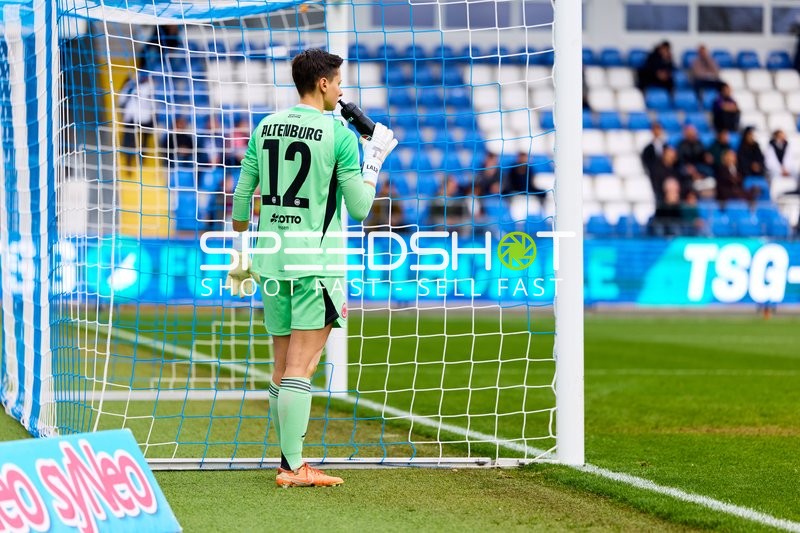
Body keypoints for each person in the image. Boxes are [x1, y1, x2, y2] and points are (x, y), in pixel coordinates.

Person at [229, 49, 396, 488]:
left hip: (271, 259)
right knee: (302, 368)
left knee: (282, 367)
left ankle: (289, 462)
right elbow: (360, 208)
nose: (342, 91)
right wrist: (374, 158)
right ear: (323, 84)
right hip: (315, 264)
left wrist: (245, 251)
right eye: (338, 82)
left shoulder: (266, 127)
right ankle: (293, 467)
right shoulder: (339, 135)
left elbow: (241, 203)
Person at [118, 70, 156, 167]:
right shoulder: (133, 86)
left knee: (139, 140)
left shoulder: (141, 87)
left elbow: (121, 100)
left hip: (139, 118)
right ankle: (132, 160)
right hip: (135, 118)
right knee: (134, 140)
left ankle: (136, 159)